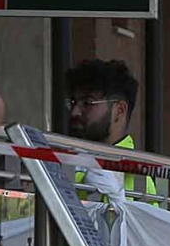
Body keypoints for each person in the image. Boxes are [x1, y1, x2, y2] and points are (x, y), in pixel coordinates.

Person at [65, 58, 155, 199]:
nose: (74, 112)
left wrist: (119, 202)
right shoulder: (57, 158)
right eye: (73, 102)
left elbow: (146, 222)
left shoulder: (138, 177)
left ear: (119, 110)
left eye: (88, 102)